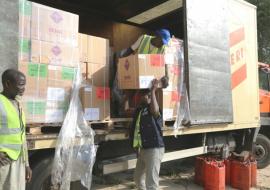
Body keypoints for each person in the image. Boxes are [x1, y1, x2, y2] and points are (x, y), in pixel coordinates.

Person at [129, 79, 165, 190]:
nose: (141, 97)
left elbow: (155, 110)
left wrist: (153, 91)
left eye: (143, 95)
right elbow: (136, 127)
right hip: (143, 149)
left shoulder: (152, 110)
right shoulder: (140, 110)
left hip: (154, 149)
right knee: (138, 178)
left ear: (149, 97)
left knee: (151, 184)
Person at [0, 69, 32, 190]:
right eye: (20, 84)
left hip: (19, 161)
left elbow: (21, 136)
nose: (23, 88)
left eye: (24, 84)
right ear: (8, 84)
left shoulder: (18, 104)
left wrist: (27, 165)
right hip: (4, 163)